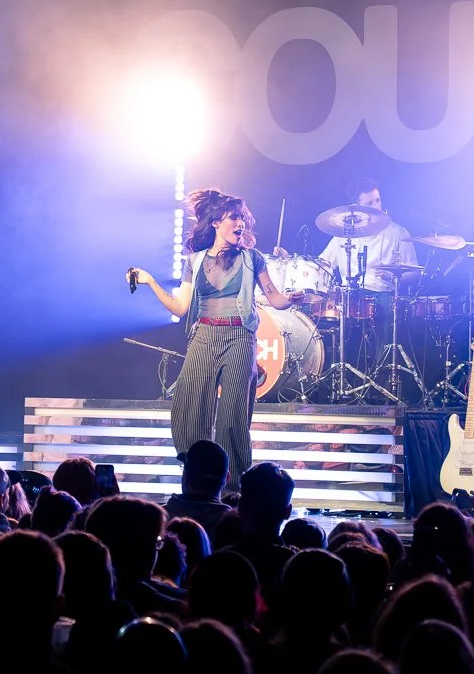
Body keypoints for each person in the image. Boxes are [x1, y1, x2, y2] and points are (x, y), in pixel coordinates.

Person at [129, 189, 305, 490]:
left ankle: (235, 488)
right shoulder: (195, 261)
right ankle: (198, 479)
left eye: (243, 220)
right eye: (234, 218)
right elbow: (181, 307)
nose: (241, 225)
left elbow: (275, 300)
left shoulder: (253, 259)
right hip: (204, 335)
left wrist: (291, 298)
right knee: (190, 405)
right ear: (215, 223)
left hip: (239, 337)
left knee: (234, 414)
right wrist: (150, 282)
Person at [312, 178, 417, 295]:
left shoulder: (399, 233)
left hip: (382, 297)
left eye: (378, 200)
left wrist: (392, 277)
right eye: (370, 203)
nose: (377, 206)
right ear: (356, 207)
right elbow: (323, 264)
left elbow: (413, 273)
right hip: (348, 296)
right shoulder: (343, 234)